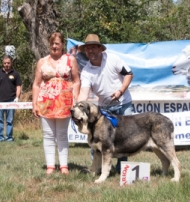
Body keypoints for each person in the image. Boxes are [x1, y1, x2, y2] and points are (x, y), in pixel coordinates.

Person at [77, 34, 134, 174]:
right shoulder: (86, 71)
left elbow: (129, 74)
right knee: (96, 138)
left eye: (93, 47)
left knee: (124, 138)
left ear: (100, 49)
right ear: (85, 51)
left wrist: (120, 91)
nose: (91, 51)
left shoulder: (113, 59)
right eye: (88, 48)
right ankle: (97, 169)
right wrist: (77, 108)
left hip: (123, 103)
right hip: (104, 108)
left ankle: (122, 170)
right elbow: (84, 94)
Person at [32, 32, 81, 175]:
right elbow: (36, 84)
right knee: (48, 134)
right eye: (52, 43)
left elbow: (77, 80)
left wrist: (75, 98)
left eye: (57, 43)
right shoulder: (42, 62)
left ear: (62, 45)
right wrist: (34, 103)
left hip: (65, 102)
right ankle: (50, 166)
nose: (54, 46)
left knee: (62, 134)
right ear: (49, 45)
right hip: (45, 102)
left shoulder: (70, 59)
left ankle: (64, 166)